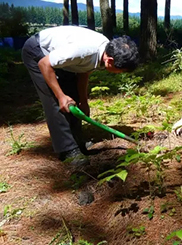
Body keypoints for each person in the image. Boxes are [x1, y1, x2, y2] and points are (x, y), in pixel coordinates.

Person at [22, 25, 139, 165]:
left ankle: (77, 142)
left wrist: (83, 100)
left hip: (61, 59)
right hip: (38, 53)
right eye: (121, 70)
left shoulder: (104, 51)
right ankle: (68, 151)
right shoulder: (83, 51)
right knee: (56, 102)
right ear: (110, 61)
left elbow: (84, 71)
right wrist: (60, 96)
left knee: (74, 99)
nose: (120, 74)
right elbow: (45, 64)